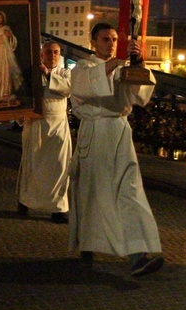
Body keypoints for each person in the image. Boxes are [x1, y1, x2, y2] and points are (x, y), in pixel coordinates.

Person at [69, 22, 164, 277]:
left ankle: (138, 254)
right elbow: (85, 86)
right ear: (93, 43)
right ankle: (87, 245)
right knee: (93, 194)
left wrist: (138, 62)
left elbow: (141, 96)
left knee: (129, 192)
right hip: (96, 132)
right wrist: (118, 60)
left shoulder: (123, 67)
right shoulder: (83, 67)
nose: (110, 44)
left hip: (120, 133)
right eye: (105, 39)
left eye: (113, 39)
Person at [17, 41, 73, 223]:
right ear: (42, 54)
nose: (52, 55)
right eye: (48, 52)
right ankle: (26, 200)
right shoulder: (31, 74)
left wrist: (48, 75)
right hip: (36, 123)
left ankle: (58, 208)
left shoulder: (65, 72)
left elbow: (67, 89)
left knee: (59, 166)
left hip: (58, 124)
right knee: (32, 163)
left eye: (56, 52)